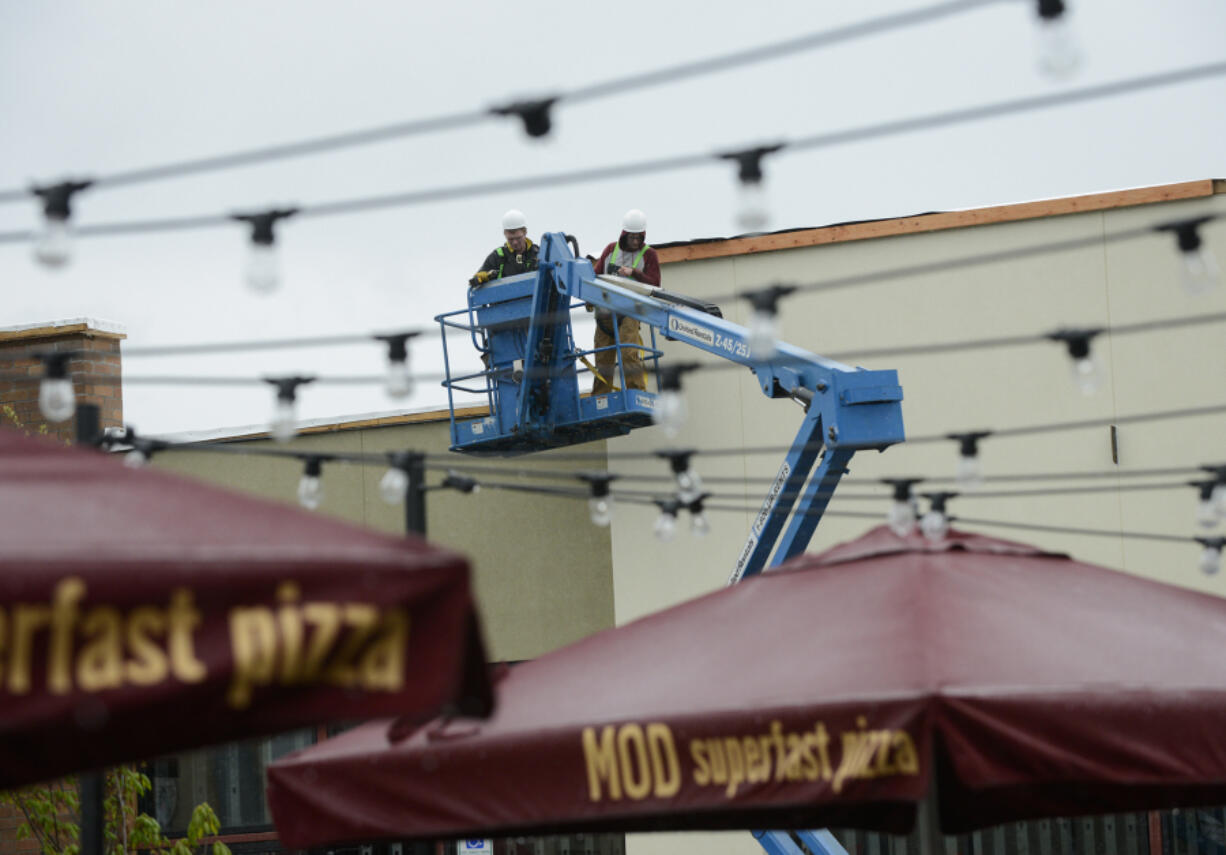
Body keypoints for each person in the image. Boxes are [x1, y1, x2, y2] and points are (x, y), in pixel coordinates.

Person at [589, 209, 661, 394]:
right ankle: (600, 398)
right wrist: (589, 300)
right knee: (602, 359)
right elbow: (595, 277)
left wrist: (634, 273)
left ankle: (636, 393)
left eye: (639, 237)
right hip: (605, 313)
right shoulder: (611, 250)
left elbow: (655, 284)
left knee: (629, 354)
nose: (635, 241)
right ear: (624, 234)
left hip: (630, 312)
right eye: (632, 237)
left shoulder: (649, 254)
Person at [470, 209, 540, 286]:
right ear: (505, 234)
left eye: (518, 238)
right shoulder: (498, 256)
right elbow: (478, 277)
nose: (515, 242)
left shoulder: (538, 253)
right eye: (511, 239)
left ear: (525, 232)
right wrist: (483, 277)